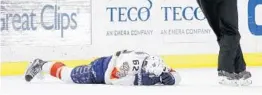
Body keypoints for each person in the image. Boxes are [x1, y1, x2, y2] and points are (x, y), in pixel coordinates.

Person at [25, 50, 181, 86]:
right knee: (68, 76)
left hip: (108, 66)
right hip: (101, 69)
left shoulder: (156, 63)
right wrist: (141, 80)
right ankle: (41, 64)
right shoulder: (130, 63)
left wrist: (173, 78)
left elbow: (176, 74)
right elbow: (113, 79)